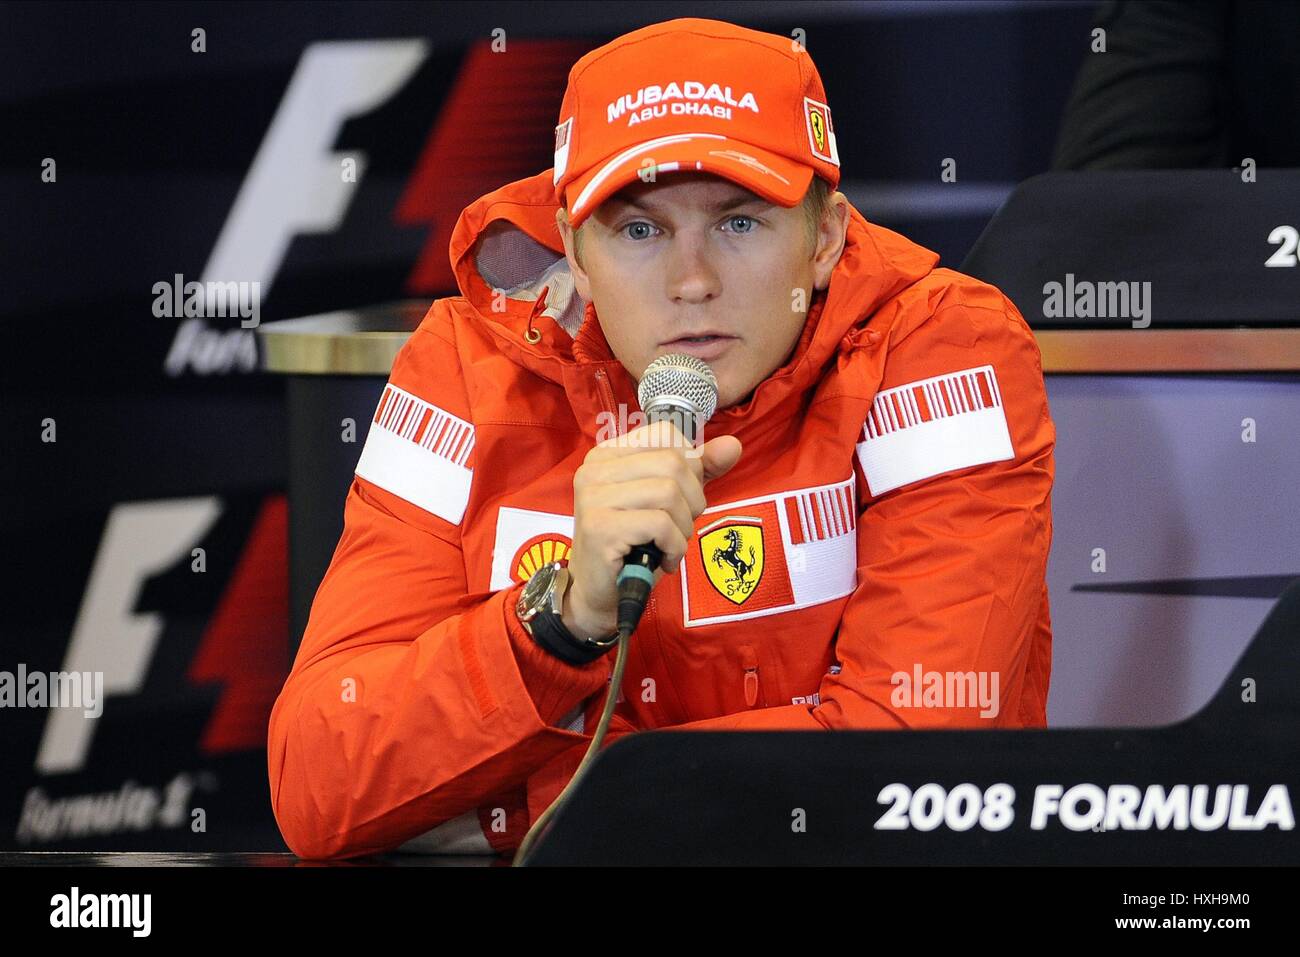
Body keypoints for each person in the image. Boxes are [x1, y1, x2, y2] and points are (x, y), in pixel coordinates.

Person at [267, 17, 1056, 861]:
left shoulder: (942, 350)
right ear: (573, 247)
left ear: (824, 238)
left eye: (739, 223)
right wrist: (560, 624)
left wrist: (564, 797)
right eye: (639, 230)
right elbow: (321, 782)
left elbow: (907, 770)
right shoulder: (462, 370)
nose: (693, 281)